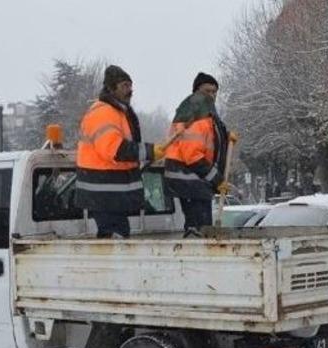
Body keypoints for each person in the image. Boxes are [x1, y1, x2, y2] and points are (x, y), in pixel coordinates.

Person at [76, 65, 165, 238]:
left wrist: (150, 152)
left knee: (115, 238)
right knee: (115, 239)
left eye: (130, 86)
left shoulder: (117, 112)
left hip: (108, 195)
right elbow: (115, 150)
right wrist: (149, 151)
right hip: (104, 193)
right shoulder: (104, 113)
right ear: (111, 88)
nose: (130, 90)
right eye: (125, 86)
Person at [164, 72, 236, 237]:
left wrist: (225, 136)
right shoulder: (195, 113)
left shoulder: (205, 113)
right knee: (200, 226)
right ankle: (196, 242)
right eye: (207, 91)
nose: (211, 95)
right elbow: (193, 155)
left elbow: (206, 141)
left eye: (214, 92)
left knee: (201, 226)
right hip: (187, 176)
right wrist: (217, 179)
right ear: (196, 91)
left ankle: (196, 238)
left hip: (193, 178)